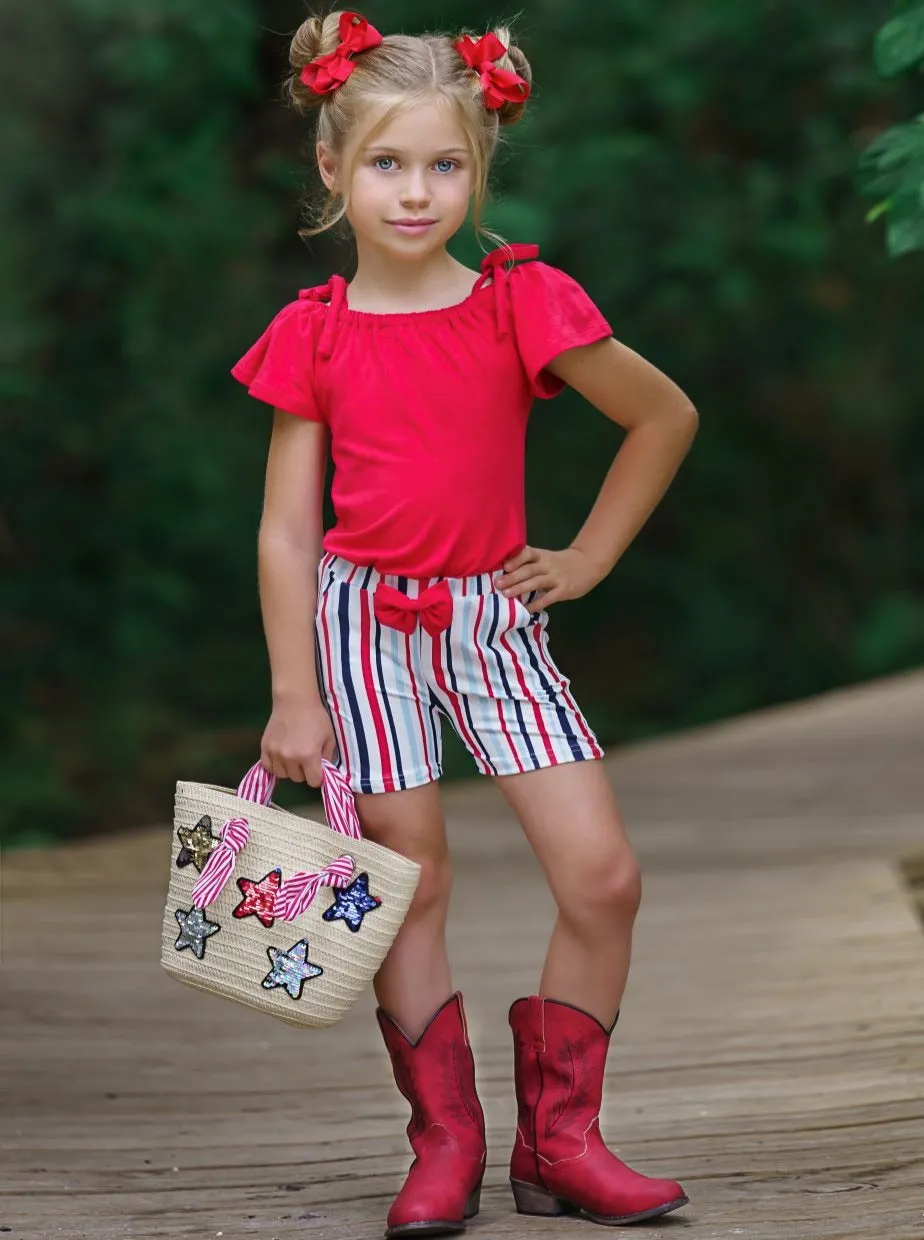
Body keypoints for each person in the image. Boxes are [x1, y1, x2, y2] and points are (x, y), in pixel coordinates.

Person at [231, 11, 698, 1237]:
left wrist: (588, 553)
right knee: (412, 884)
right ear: (334, 169)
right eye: (388, 162)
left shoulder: (520, 304)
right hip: (358, 629)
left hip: (493, 623)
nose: (417, 190)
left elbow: (663, 417)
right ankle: (445, 1142)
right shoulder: (316, 332)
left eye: (445, 163)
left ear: (478, 169)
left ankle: (564, 1142)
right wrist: (295, 692)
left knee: (603, 876)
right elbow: (286, 531)